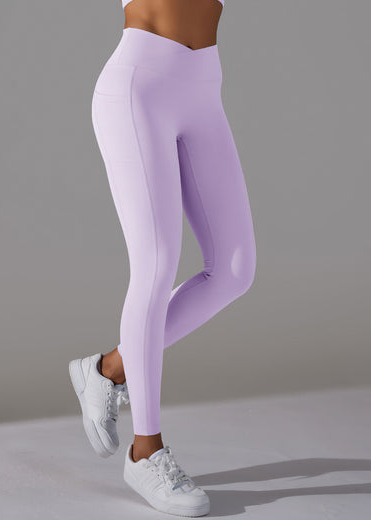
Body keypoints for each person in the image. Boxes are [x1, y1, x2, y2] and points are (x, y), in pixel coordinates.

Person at [69, 0, 256, 515]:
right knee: (155, 263)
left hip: (204, 87)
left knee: (235, 271)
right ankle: (145, 451)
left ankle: (109, 368)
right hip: (139, 86)